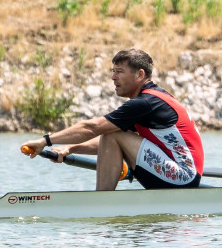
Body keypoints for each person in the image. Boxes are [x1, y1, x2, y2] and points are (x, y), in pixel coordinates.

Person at [21, 49, 204, 190]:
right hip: (183, 174)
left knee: (111, 133)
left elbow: (92, 128)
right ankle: (105, 200)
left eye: (119, 72)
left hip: (183, 177)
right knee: (113, 133)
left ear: (140, 75)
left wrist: (45, 140)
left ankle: (102, 202)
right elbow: (110, 145)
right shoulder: (154, 99)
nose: (113, 77)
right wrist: (71, 148)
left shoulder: (145, 103)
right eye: (113, 71)